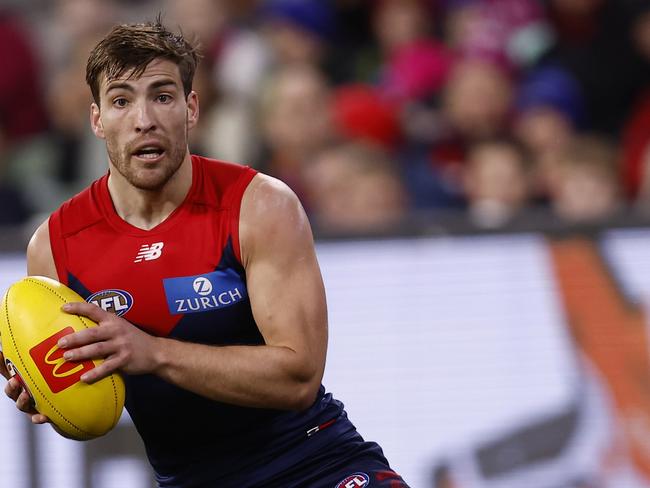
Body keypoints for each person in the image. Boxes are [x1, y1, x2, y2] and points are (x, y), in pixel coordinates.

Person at [0, 19, 409, 488]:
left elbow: (298, 378)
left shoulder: (259, 205)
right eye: (120, 100)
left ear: (191, 108)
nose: (144, 119)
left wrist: (152, 352)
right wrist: (47, 391)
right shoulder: (54, 246)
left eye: (163, 96)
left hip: (314, 463)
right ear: (97, 119)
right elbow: (94, 413)